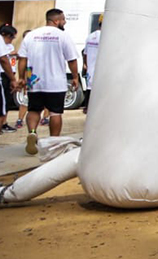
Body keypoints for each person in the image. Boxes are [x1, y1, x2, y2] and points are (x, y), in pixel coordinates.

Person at [16, 9, 80, 154]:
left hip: (35, 81)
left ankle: (32, 132)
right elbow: (72, 59)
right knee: (55, 113)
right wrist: (75, 77)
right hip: (55, 83)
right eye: (63, 19)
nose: (65, 22)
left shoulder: (31, 35)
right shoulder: (62, 36)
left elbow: (22, 59)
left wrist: (21, 78)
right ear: (56, 21)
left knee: (33, 110)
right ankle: (54, 142)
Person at [82, 16, 101, 114]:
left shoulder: (90, 36)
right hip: (101, 71)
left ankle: (87, 107)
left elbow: (85, 53)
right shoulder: (105, 37)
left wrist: (85, 64)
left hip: (91, 69)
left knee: (89, 88)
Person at [0, 25, 17, 133]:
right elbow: (4, 60)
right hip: (3, 75)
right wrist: (13, 79)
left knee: (6, 102)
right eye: (11, 37)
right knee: (2, 105)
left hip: (7, 74)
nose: (11, 40)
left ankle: (4, 124)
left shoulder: (9, 46)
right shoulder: (0, 41)